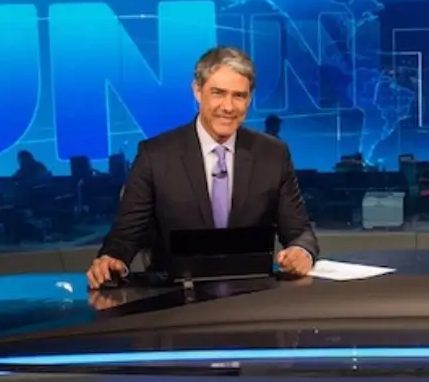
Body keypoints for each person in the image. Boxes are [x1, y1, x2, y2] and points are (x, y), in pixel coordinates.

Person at [87, 46, 319, 289]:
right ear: (197, 91)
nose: (228, 107)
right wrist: (112, 259)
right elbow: (124, 236)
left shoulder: (273, 154)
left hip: (251, 298)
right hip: (173, 301)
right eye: (218, 93)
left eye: (239, 96)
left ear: (249, 98)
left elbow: (300, 231)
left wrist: (301, 251)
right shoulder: (155, 155)